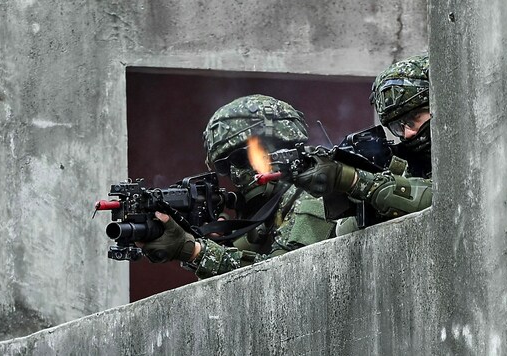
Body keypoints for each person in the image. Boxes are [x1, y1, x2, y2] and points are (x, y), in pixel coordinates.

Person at [136, 95, 337, 278]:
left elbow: (285, 277)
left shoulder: (312, 197)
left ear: (277, 149)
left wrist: (195, 251)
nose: (234, 173)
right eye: (225, 166)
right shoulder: (258, 216)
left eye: (241, 158)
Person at [293, 54, 433, 233]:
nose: (408, 133)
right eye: (398, 127)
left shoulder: (469, 151)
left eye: (413, 119)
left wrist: (352, 179)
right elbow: (345, 230)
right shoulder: (411, 159)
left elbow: (438, 197)